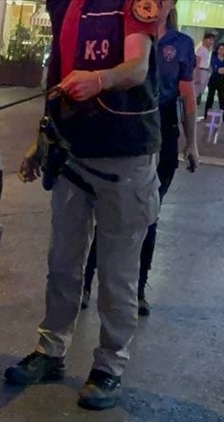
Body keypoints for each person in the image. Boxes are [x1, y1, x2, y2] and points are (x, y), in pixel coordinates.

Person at [8, 0, 163, 411]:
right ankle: (51, 351)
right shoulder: (64, 3)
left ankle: (109, 365)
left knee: (117, 273)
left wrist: (99, 80)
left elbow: (138, 67)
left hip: (126, 158)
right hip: (74, 153)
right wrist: (41, 140)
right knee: (62, 263)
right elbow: (57, 76)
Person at [82, 5, 199, 316]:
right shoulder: (122, 28)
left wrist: (193, 144)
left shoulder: (181, 44)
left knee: (149, 213)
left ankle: (138, 289)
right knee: (107, 210)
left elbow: (187, 96)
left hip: (164, 129)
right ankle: (85, 282)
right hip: (124, 125)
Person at [204, 43, 224, 121]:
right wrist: (223, 69)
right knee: (210, 98)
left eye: (223, 49)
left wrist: (223, 69)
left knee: (222, 98)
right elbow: (216, 69)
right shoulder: (214, 57)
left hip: (221, 80)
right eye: (220, 49)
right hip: (213, 79)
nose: (221, 51)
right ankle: (206, 115)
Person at [194, 32, 214, 104]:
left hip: (206, 71)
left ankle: (197, 99)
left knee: (202, 88)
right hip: (200, 70)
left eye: (212, 40)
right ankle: (195, 101)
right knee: (197, 87)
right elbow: (197, 62)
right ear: (205, 40)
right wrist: (197, 75)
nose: (211, 42)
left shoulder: (208, 50)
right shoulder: (200, 49)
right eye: (210, 40)